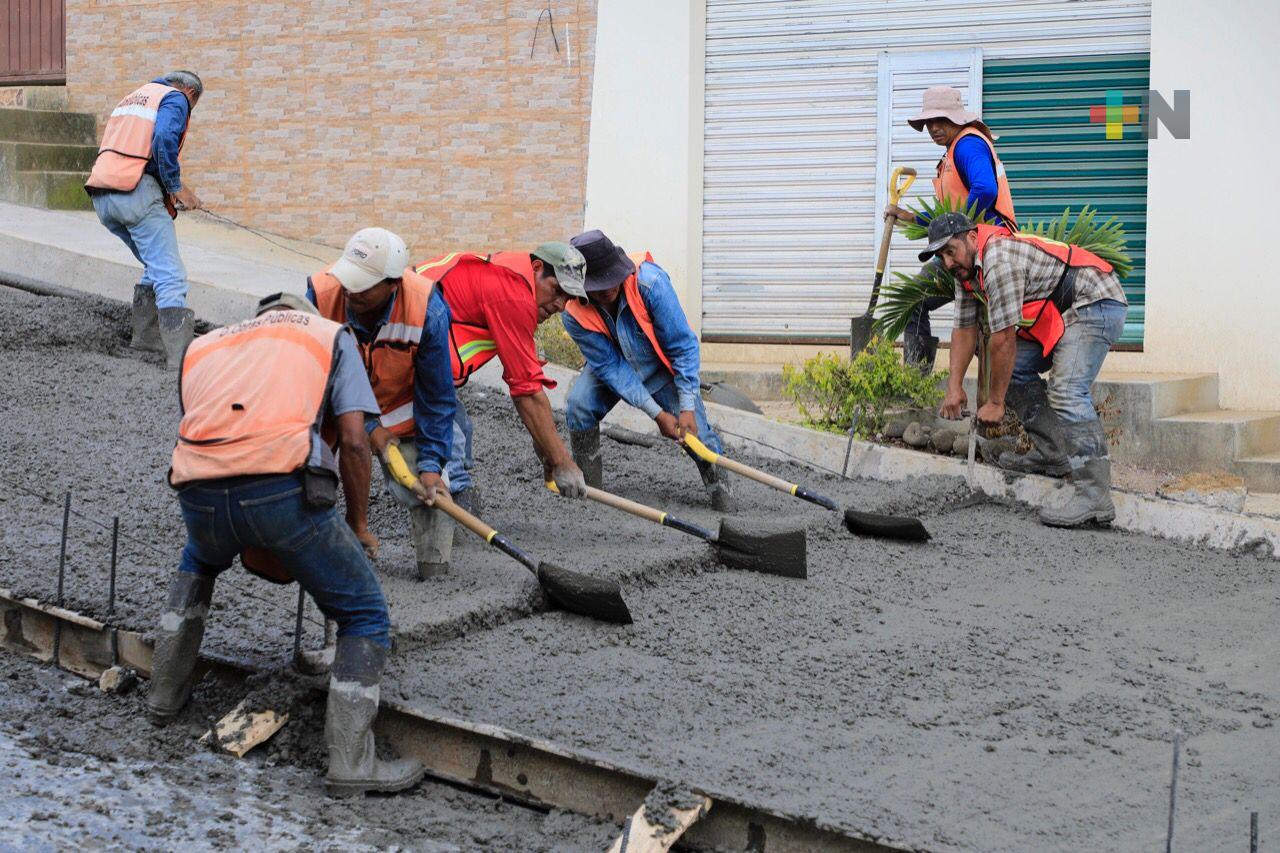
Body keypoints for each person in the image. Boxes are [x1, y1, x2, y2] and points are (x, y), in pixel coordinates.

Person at [150, 292, 424, 797]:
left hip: (198, 493)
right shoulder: (326, 337)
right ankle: (351, 764)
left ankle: (163, 698)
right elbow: (355, 438)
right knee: (364, 613)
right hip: (279, 491)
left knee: (197, 564)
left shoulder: (206, 347)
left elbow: (208, 426)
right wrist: (358, 525)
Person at [924, 213, 1128, 528]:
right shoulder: (966, 274)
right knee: (1015, 370)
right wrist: (954, 387)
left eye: (950, 251)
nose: (948, 262)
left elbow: (1003, 339)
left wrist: (995, 403)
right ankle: (1052, 452)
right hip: (1066, 312)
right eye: (942, 256)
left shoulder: (998, 261)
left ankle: (1094, 495)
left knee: (1066, 391)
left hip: (1096, 301)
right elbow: (964, 330)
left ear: (972, 238)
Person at [307, 228, 458, 580]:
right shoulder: (321, 295)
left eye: (361, 286)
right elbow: (312, 375)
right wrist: (368, 427)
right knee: (305, 476)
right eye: (348, 279)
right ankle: (312, 555)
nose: (348, 291)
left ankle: (435, 579)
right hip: (329, 404)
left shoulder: (427, 310)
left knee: (433, 495)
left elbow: (436, 398)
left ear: (393, 285)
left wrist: (433, 463)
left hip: (399, 409)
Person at [561, 229, 734, 510]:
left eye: (612, 278)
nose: (609, 288)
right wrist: (657, 414)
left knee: (697, 434)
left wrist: (686, 406)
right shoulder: (573, 312)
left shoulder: (651, 284)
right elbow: (611, 368)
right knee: (579, 405)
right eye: (599, 284)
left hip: (658, 364)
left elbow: (683, 346)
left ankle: (722, 494)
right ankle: (590, 494)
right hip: (613, 365)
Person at [412, 244, 589, 502]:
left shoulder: (514, 278)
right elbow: (526, 392)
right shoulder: (512, 294)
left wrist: (549, 449)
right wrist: (561, 461)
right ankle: (453, 514)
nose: (561, 305)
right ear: (537, 268)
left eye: (569, 297)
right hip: (403, 351)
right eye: (557, 290)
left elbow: (529, 384)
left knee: (461, 426)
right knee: (450, 443)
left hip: (421, 352)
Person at [886, 85, 1018, 372]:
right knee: (972, 321)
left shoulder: (968, 145)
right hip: (964, 246)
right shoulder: (951, 153)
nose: (933, 128)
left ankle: (916, 381)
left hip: (983, 248)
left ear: (956, 119)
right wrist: (907, 216)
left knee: (916, 300)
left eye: (940, 121)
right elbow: (948, 216)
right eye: (929, 122)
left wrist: (957, 233)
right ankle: (918, 382)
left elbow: (985, 189)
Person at [85, 70, 205, 369]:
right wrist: (177, 188)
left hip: (103, 195)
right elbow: (164, 136)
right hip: (134, 193)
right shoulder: (175, 98)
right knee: (171, 274)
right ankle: (181, 361)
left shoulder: (133, 98)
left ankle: (146, 339)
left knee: (154, 263)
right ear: (190, 92)